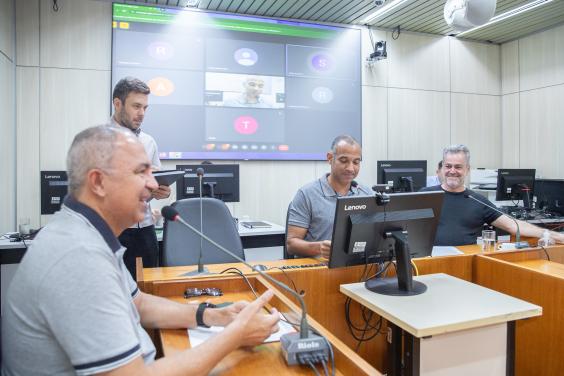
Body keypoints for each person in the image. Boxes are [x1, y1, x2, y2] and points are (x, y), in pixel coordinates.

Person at [1, 125, 280, 376]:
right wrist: (234, 336)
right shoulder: (78, 256)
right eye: (141, 172)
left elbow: (140, 304)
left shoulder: (84, 234)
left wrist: (213, 316)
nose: (153, 184)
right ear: (98, 182)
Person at [420, 145, 564, 246]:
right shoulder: (425, 195)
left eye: (458, 167)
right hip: (429, 261)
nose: (452, 171)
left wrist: (558, 237)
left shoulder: (477, 201)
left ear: (467, 170)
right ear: (442, 168)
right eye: (448, 166)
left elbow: (515, 226)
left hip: (464, 263)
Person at [105, 77, 171, 279]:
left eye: (145, 107)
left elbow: (157, 178)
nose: (141, 113)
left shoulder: (148, 141)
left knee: (149, 289)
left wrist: (162, 191)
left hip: (145, 229)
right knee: (115, 294)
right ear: (118, 104)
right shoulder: (99, 138)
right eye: (136, 106)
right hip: (114, 229)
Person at [287, 135, 372, 258]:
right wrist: (319, 248)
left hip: (355, 268)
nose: (350, 168)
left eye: (356, 162)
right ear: (330, 158)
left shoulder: (365, 193)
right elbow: (291, 244)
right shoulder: (307, 194)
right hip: (318, 271)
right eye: (344, 161)